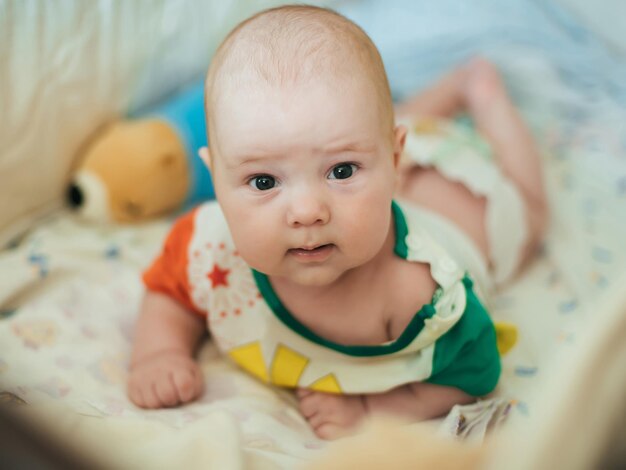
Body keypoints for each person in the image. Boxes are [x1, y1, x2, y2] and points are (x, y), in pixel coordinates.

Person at [127, 5, 547, 440]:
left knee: (530, 213)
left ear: (393, 160)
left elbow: (475, 371)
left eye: (342, 171)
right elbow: (171, 289)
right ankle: (424, 108)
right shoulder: (209, 246)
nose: (307, 211)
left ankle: (479, 89)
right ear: (215, 178)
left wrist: (372, 409)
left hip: (463, 214)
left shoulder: (419, 291)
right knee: (356, 135)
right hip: (384, 169)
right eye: (264, 180)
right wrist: (159, 352)